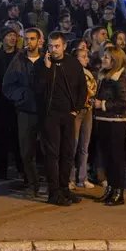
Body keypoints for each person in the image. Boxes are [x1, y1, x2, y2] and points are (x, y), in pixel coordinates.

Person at [32, 32, 87, 206]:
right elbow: (37, 89)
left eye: (57, 46)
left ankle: (64, 188)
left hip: (68, 114)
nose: (53, 50)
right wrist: (47, 69)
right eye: (50, 46)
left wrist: (76, 109)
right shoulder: (42, 65)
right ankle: (53, 192)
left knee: (68, 153)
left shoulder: (72, 64)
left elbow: (82, 88)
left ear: (64, 46)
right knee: (52, 154)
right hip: (49, 116)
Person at [3, 28, 42, 196]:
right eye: (26, 38)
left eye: (32, 38)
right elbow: (7, 86)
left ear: (39, 41)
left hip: (46, 111)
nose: (29, 42)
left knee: (49, 149)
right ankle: (32, 183)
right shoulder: (18, 60)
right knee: (26, 150)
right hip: (26, 111)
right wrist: (23, 96)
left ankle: (52, 183)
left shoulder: (47, 60)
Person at [93, 46, 126, 206]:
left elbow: (123, 102)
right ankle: (110, 188)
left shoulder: (120, 77)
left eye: (107, 58)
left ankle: (118, 191)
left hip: (115, 121)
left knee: (116, 158)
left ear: (115, 61)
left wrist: (102, 104)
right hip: (103, 120)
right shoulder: (104, 75)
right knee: (107, 157)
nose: (103, 59)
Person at [0, 26, 22, 180]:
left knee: (19, 136)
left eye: (14, 35)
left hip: (17, 102)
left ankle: (21, 168)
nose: (12, 38)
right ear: (2, 38)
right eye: (9, 35)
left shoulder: (20, 56)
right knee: (1, 136)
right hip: (1, 101)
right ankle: (1, 169)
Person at [69, 46, 96, 190]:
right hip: (76, 111)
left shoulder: (89, 74)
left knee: (84, 146)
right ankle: (70, 178)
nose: (87, 59)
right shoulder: (71, 74)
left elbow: (93, 92)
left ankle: (82, 178)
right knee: (72, 145)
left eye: (87, 56)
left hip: (88, 111)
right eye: (83, 56)